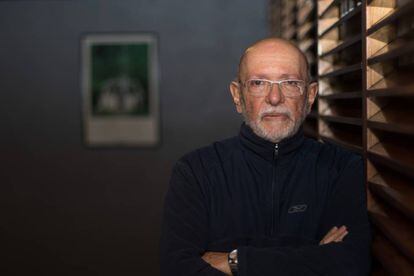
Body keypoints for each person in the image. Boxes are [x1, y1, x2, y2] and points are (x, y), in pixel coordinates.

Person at [160, 38, 371, 275]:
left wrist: (236, 261)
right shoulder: (196, 172)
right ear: (238, 96)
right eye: (258, 83)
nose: (274, 98)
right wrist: (314, 258)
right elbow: (177, 269)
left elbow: (352, 263)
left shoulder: (341, 169)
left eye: (290, 83)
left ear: (310, 97)